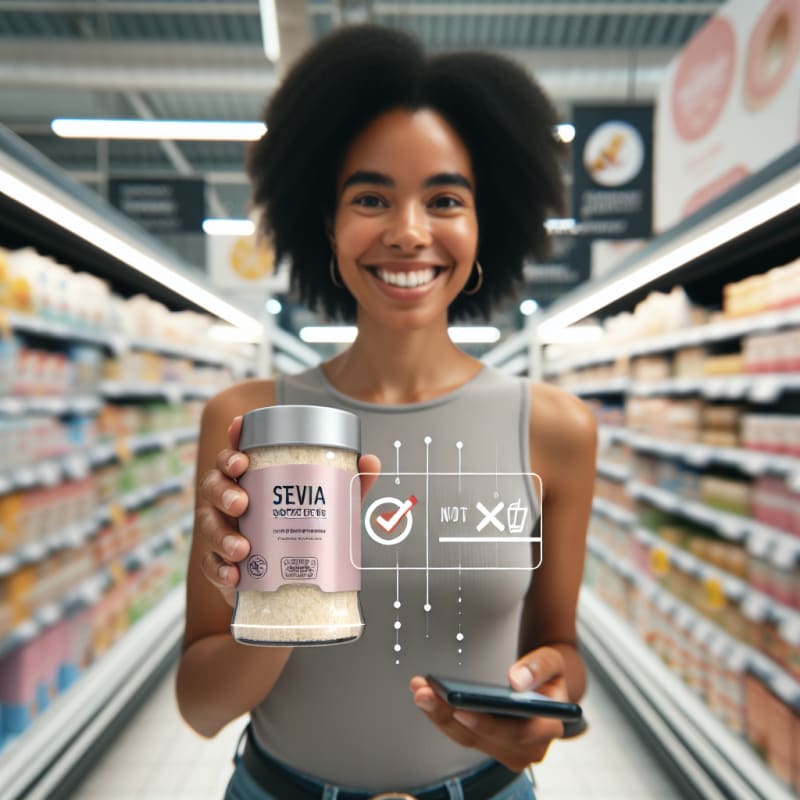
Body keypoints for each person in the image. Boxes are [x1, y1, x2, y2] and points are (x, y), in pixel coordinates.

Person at [176, 23, 597, 800]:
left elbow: (560, 651)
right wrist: (279, 603)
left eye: (445, 199)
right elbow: (200, 708)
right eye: (370, 198)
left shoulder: (554, 430)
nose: (407, 232)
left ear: (485, 223)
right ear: (327, 225)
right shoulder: (252, 423)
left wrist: (546, 700)